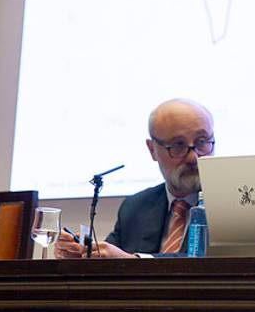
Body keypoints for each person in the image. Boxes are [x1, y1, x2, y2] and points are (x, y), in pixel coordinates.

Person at [54, 98, 214, 259]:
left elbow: (211, 263)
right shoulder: (136, 207)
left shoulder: (231, 202)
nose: (194, 158)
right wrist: (81, 254)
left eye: (202, 141)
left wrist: (133, 261)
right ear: (152, 150)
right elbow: (107, 259)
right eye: (178, 145)